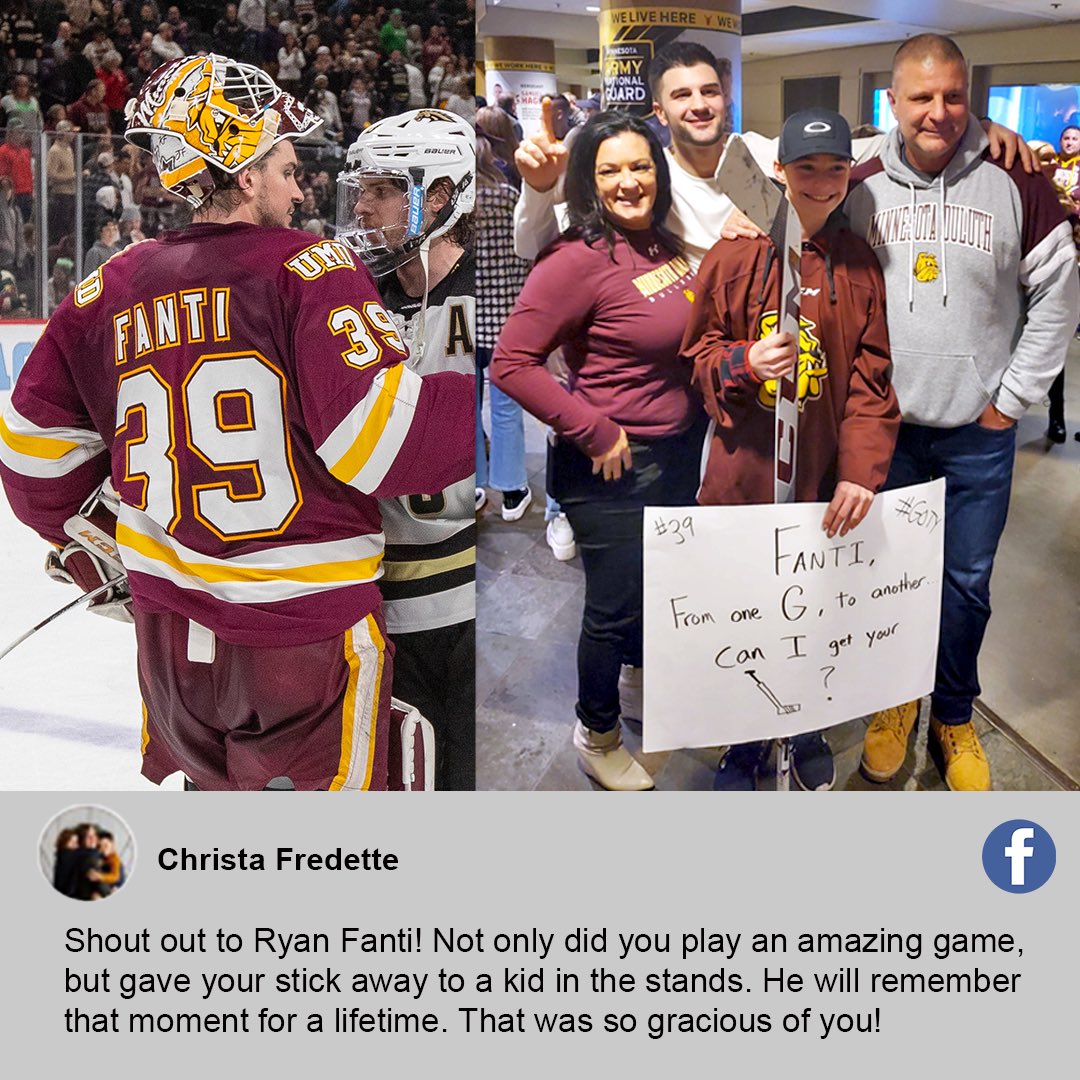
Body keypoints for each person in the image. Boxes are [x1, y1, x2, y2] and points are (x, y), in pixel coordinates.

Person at [0, 55, 473, 791]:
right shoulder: (307, 269)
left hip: (168, 648)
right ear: (246, 175)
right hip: (298, 640)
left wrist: (92, 536)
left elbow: (33, 462)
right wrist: (480, 398)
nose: (299, 183)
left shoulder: (106, 289)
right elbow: (382, 446)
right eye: (286, 166)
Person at [844, 34, 1080, 791]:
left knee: (965, 585)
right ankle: (893, 703)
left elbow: (1057, 299)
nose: (939, 112)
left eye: (953, 95)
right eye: (921, 97)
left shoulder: (1019, 178)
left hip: (978, 435)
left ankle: (951, 712)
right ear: (893, 101)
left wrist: (1009, 405)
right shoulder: (858, 179)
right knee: (885, 578)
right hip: (886, 430)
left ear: (968, 94)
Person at [682, 109, 900, 791]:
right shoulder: (737, 252)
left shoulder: (858, 261)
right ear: (779, 171)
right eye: (807, 169)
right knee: (747, 605)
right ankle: (744, 736)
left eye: (836, 169)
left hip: (819, 476)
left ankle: (802, 722)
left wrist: (861, 474)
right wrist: (746, 361)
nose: (823, 182)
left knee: (814, 607)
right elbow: (700, 354)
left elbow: (872, 376)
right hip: (744, 474)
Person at [492, 111, 705, 791]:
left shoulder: (664, 245)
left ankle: (638, 695)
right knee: (612, 610)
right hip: (612, 467)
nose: (628, 181)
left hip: (674, 455)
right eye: (609, 169)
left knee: (651, 590)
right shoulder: (575, 259)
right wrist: (593, 426)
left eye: (640, 166)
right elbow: (510, 362)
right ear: (587, 181)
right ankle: (597, 730)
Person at [336, 107, 476, 790]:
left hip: (461, 606)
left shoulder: (491, 297)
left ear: (440, 194)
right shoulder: (359, 300)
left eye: (382, 189)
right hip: (377, 601)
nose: (362, 205)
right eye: (361, 188)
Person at [475, 134, 531, 520]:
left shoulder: (455, 209)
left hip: (466, 322)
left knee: (465, 406)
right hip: (507, 320)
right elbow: (526, 254)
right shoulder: (509, 197)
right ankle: (512, 490)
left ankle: (473, 485)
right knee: (507, 407)